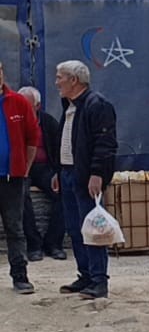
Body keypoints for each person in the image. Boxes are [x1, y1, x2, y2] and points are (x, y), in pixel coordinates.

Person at [50, 59, 117, 300]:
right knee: (76, 229)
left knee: (94, 229)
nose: (56, 82)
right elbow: (66, 143)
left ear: (73, 80)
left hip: (86, 177)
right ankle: (85, 275)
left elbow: (105, 143)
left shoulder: (96, 105)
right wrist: (59, 172)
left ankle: (99, 281)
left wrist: (97, 173)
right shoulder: (69, 107)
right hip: (68, 175)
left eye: (60, 77)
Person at [0, 63, 44, 294]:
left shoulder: (18, 103)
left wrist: (24, 169)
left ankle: (20, 276)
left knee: (15, 228)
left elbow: (32, 139)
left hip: (12, 178)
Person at [18, 86, 67, 262]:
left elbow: (62, 150)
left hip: (44, 167)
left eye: (27, 106)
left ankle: (53, 243)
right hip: (21, 167)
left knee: (64, 193)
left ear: (37, 106)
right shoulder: (13, 121)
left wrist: (58, 174)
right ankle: (34, 245)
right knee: (20, 196)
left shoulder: (48, 123)